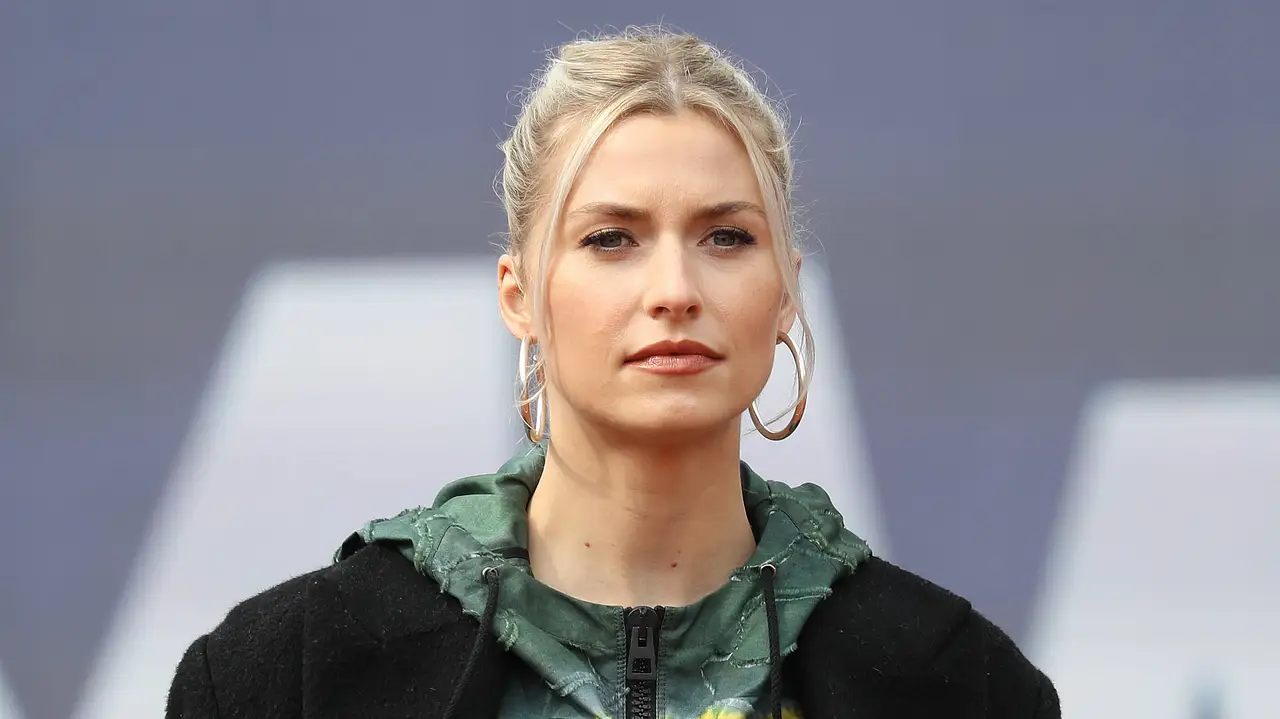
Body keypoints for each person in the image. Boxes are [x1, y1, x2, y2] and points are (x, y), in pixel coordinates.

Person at [166, 27, 1058, 719]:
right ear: (519, 295)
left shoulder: (957, 684)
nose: (674, 290)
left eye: (726, 236)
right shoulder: (283, 677)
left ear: (786, 290)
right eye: (610, 239)